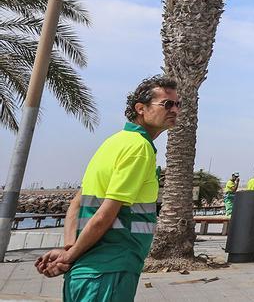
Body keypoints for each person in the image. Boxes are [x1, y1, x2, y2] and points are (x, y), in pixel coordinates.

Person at [34, 76, 179, 300]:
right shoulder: (139, 148)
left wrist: (69, 249)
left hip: (87, 273)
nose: (175, 110)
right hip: (110, 269)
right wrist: (70, 255)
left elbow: (76, 204)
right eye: (167, 104)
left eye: (178, 104)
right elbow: (105, 215)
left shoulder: (113, 143)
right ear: (140, 108)